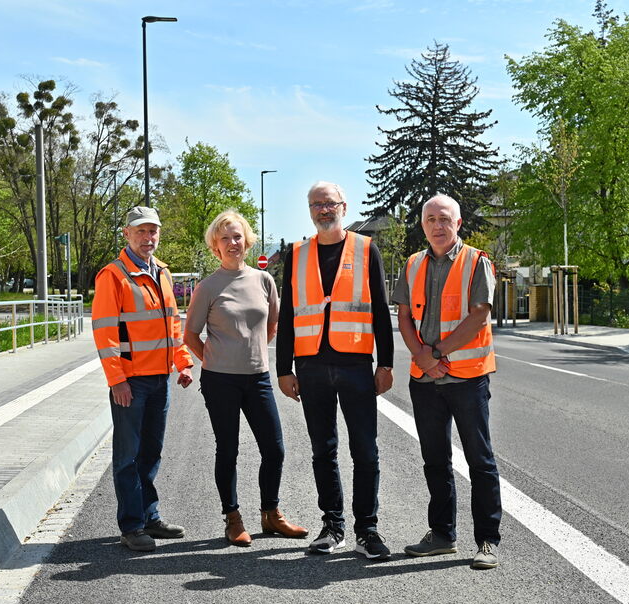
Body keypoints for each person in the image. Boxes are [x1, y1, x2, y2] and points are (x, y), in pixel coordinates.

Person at [276, 181, 395, 560]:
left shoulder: (365, 249)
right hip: (310, 366)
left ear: (344, 206)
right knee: (322, 450)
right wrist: (283, 368)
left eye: (329, 203)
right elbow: (288, 316)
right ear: (309, 210)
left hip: (356, 365)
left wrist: (387, 363)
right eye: (316, 204)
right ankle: (333, 526)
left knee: (365, 450)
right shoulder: (296, 254)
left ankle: (367, 530)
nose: (323, 210)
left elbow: (379, 311)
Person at [183, 210, 308, 547]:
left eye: (237, 236)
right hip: (220, 380)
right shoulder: (208, 287)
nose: (233, 243)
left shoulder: (264, 280)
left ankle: (271, 514)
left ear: (247, 241)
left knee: (275, 449)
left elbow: (273, 325)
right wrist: (213, 358)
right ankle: (233, 517)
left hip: (258, 378)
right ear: (216, 246)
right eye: (225, 238)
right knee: (228, 449)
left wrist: (254, 352)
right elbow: (191, 335)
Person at [393, 194, 502, 569]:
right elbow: (404, 316)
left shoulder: (477, 262)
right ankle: (442, 535)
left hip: (467, 378)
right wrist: (422, 356)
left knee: (480, 459)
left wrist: (435, 353)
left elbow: (479, 317)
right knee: (434, 459)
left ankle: (488, 540)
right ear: (423, 225)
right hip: (425, 380)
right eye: (430, 219)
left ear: (458, 224)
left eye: (445, 219)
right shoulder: (412, 264)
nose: (437, 225)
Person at [92, 206, 194, 552]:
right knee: (128, 455)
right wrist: (116, 379)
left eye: (153, 231)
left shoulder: (162, 272)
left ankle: (150, 516)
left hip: (160, 379)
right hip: (131, 382)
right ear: (127, 234)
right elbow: (105, 333)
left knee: (151, 452)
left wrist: (182, 362)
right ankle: (132, 525)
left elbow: (172, 324)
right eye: (141, 231)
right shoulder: (113, 275)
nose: (148, 238)